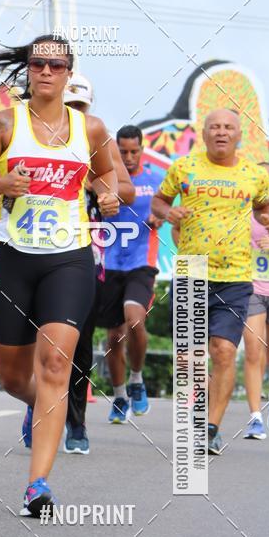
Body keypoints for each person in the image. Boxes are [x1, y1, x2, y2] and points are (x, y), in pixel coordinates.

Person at [0, 35, 119, 515]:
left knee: (54, 365)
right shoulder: (4, 124)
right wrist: (2, 183)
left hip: (69, 258)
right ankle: (42, 404)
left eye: (56, 65)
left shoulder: (91, 128)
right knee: (13, 377)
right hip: (13, 257)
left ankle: (37, 485)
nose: (46, 72)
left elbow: (109, 177)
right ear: (28, 70)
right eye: (38, 64)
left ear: (69, 73)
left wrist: (108, 196)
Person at [152, 108, 269, 454]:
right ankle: (205, 404)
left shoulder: (254, 174)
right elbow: (159, 201)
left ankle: (210, 428)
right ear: (204, 132)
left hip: (235, 276)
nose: (221, 132)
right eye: (215, 127)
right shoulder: (183, 167)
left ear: (239, 135)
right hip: (192, 271)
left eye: (228, 127)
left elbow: (265, 206)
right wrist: (168, 212)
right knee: (189, 359)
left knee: (223, 351)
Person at [62, 77, 136, 453]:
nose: (75, 113)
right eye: (69, 106)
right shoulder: (33, 135)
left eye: (81, 107)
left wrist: (103, 189)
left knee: (80, 340)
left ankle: (76, 424)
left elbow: (127, 190)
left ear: (89, 107)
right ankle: (35, 405)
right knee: (36, 340)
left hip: (85, 251)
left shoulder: (98, 138)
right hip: (34, 246)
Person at [98, 125, 164, 424]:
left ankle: (137, 379)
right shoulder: (104, 179)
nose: (128, 157)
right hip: (109, 263)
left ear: (142, 149)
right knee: (114, 336)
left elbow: (166, 207)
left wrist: (159, 216)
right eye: (122, 151)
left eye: (133, 151)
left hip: (141, 263)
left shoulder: (155, 180)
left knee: (135, 319)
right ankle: (120, 396)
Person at [242, 161, 269, 438]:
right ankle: (255, 417)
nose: (262, 181)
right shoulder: (243, 212)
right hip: (251, 289)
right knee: (253, 352)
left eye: (266, 177)